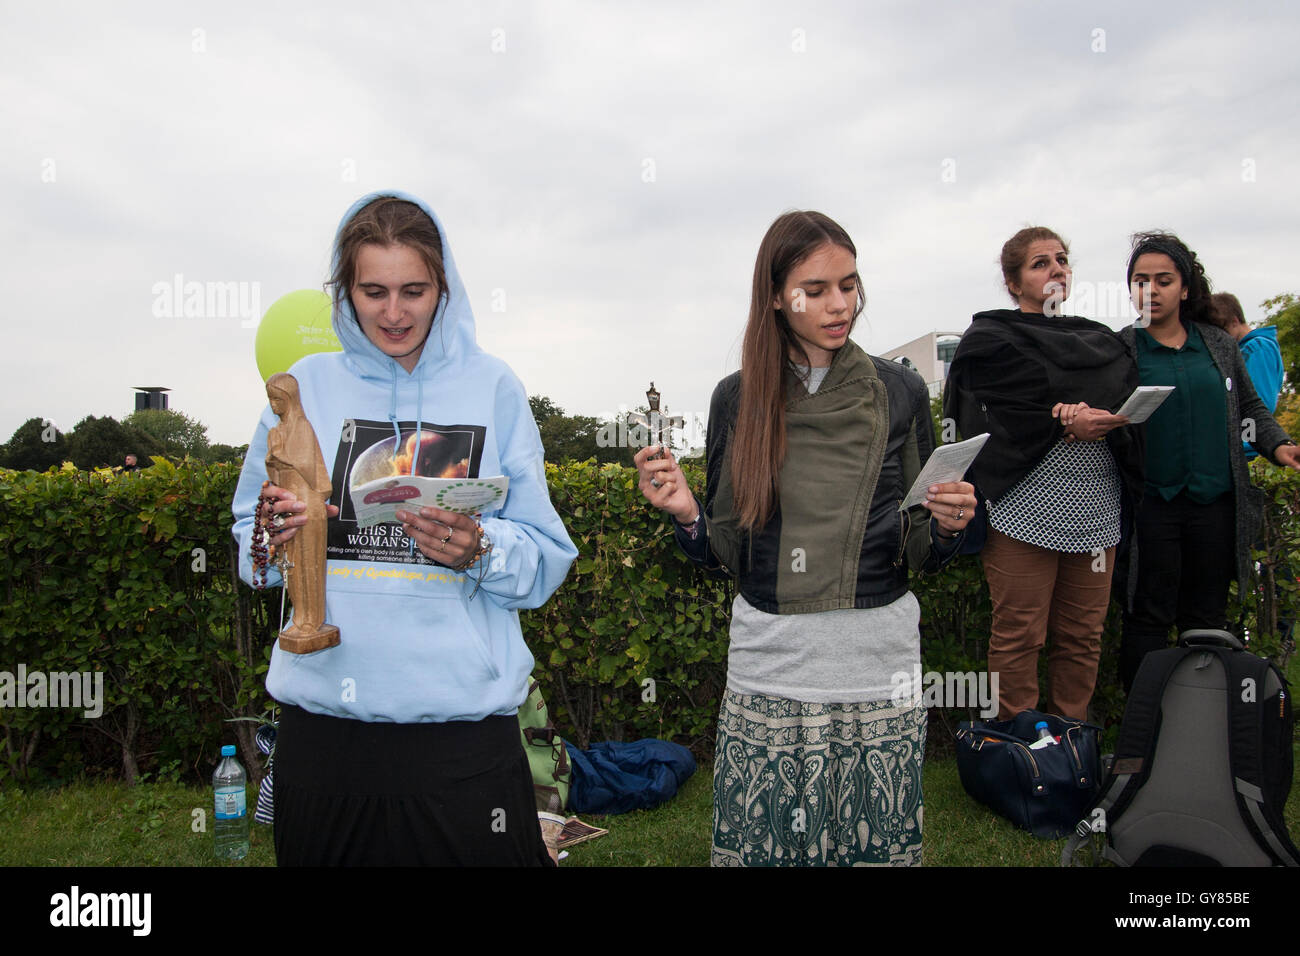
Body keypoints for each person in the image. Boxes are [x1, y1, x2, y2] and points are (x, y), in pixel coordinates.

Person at [231, 192, 577, 866]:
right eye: (374, 291)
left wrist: (481, 549)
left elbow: (546, 560)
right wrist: (274, 535)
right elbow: (251, 544)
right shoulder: (303, 388)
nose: (394, 313)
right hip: (325, 743)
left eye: (414, 290)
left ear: (443, 286)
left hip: (463, 746)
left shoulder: (494, 386)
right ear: (345, 292)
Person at [635, 211, 975, 866]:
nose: (840, 304)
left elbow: (919, 544)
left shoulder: (900, 390)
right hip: (772, 664)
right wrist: (686, 515)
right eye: (815, 290)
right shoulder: (737, 398)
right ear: (774, 296)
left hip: (879, 664)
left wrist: (951, 524)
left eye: (848, 284)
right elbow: (724, 552)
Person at [944, 227, 1144, 722]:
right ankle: (1020, 746)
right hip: (1022, 506)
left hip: (1096, 509)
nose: (1056, 269)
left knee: (1083, 636)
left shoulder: (1101, 341)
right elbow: (1002, 410)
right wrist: (1060, 418)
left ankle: (1072, 745)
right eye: (1039, 263)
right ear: (1014, 283)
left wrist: (1104, 418)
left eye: (1061, 260)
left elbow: (1123, 401)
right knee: (1019, 634)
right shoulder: (991, 339)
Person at [1118, 232, 1300, 691]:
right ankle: (1143, 736)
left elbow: (1251, 410)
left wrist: (1279, 446)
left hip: (1215, 507)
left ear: (1184, 287)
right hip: (1150, 508)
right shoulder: (1120, 349)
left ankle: (1203, 727)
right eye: (1141, 281)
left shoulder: (1218, 344)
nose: (1151, 290)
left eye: (1163, 279)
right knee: (1147, 617)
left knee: (1206, 619)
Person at [1207, 292, 1285, 459]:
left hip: (1246, 449)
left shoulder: (1257, 349)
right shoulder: (1244, 350)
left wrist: (1243, 446)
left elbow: (1259, 403)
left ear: (1235, 321)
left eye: (1222, 331)